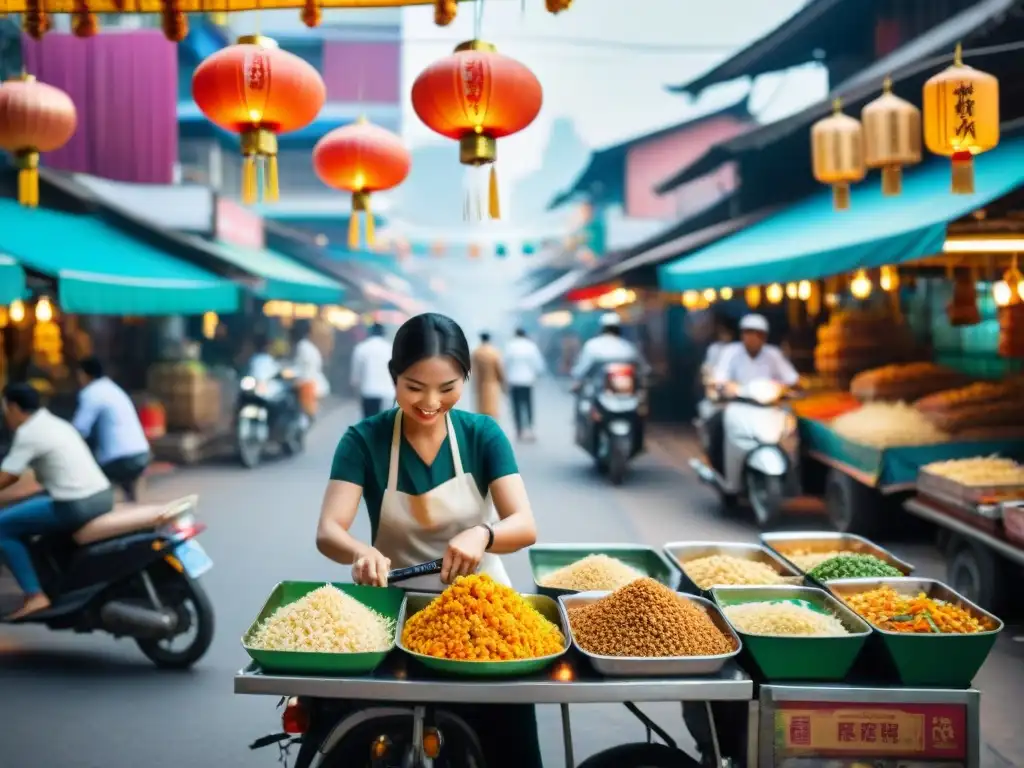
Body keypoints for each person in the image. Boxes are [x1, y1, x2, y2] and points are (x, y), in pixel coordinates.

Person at [315, 312, 542, 768]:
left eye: (448, 388)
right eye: (414, 387)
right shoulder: (365, 439)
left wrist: (484, 532)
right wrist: (362, 552)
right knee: (341, 731)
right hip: (392, 607)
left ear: (467, 378)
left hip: (481, 612)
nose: (431, 403)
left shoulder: (483, 435)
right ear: (393, 377)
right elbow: (329, 531)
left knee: (509, 738)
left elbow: (524, 524)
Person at [0, 383, 114, 619]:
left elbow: (8, 476)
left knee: (2, 526)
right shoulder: (55, 423)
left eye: (4, 410)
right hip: (102, 496)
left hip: (75, 504)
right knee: (27, 512)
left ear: (13, 408)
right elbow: (31, 479)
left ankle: (35, 595)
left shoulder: (28, 432)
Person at [704, 313, 799, 474]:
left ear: (764, 337)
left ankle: (792, 470)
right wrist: (727, 387)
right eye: (748, 333)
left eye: (757, 334)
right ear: (742, 335)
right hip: (738, 405)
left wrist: (788, 388)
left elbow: (792, 379)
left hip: (769, 408)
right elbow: (720, 378)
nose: (752, 338)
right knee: (716, 424)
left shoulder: (773, 354)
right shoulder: (731, 352)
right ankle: (720, 470)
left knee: (792, 429)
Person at [72, 356, 151, 502]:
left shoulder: (91, 393)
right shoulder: (113, 388)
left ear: (84, 374)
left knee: (89, 484)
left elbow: (79, 429)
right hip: (141, 453)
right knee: (129, 495)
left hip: (119, 458)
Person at [570, 312, 649, 382]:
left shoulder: (592, 345)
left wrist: (577, 376)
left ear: (602, 328)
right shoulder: (628, 346)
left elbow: (582, 368)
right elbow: (644, 368)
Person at [503, 328, 545, 441]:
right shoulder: (531, 346)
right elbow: (538, 364)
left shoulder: (510, 346)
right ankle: (530, 429)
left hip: (514, 381)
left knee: (516, 406)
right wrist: (537, 375)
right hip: (527, 381)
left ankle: (519, 430)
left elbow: (504, 363)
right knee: (528, 405)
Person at [350, 323, 394, 419]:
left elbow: (356, 375)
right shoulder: (391, 349)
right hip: (388, 393)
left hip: (368, 391)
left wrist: (355, 388)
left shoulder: (361, 348)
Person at [293, 320, 329, 418]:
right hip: (316, 385)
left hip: (309, 385)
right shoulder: (309, 346)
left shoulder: (302, 346)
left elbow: (302, 369)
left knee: (307, 416)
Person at [470, 331, 505, 420]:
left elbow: (473, 369)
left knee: (481, 408)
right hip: (492, 384)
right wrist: (503, 382)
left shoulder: (476, 353)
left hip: (480, 384)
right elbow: (499, 369)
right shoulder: (494, 352)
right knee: (492, 408)